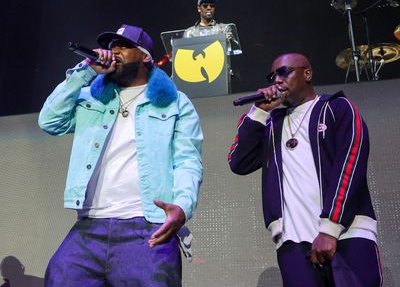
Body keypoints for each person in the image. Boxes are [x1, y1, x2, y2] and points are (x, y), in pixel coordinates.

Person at [38, 24, 203, 286]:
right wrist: (85, 72)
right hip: (90, 226)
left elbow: (188, 160)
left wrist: (182, 206)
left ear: (145, 57)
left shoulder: (175, 102)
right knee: (59, 277)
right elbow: (49, 121)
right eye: (111, 46)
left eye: (123, 46)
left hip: (146, 226)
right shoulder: (91, 99)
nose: (113, 51)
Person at [228, 53, 382, 286]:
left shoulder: (338, 108)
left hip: (347, 232)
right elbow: (239, 162)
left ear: (307, 74)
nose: (277, 80)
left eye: (284, 72)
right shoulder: (271, 124)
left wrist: (330, 229)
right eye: (273, 75)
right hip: (294, 242)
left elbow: (351, 164)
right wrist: (259, 111)